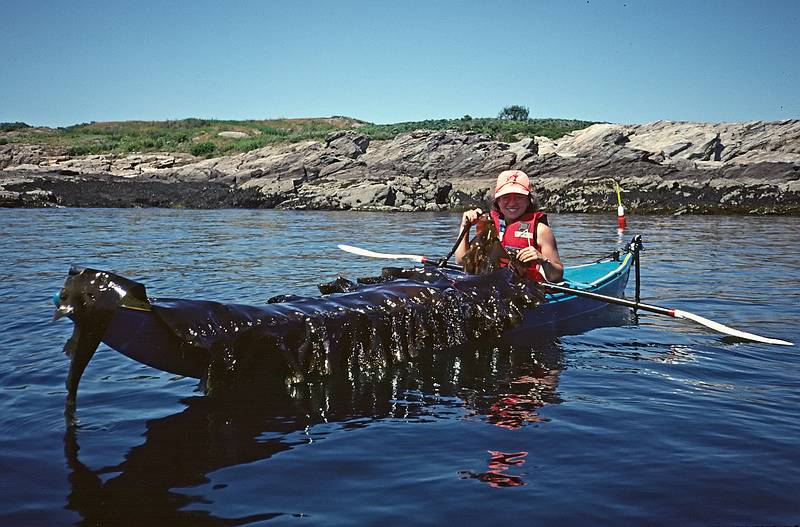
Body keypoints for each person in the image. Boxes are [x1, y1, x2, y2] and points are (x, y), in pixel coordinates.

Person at [455, 170, 564, 283]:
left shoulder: (541, 230)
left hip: (525, 292)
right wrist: (465, 227)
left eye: (519, 197)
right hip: (489, 288)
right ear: (497, 201)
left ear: (528, 201)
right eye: (506, 197)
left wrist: (543, 260)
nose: (512, 203)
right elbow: (461, 261)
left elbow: (556, 276)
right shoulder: (489, 226)